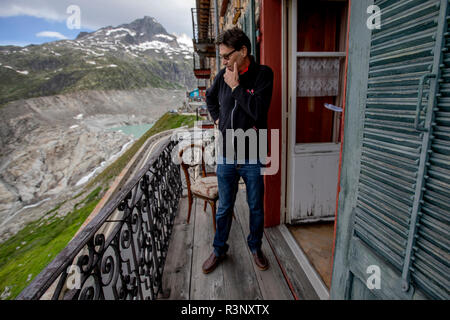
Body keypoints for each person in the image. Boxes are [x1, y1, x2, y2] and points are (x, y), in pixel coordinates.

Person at [203, 27, 274, 274]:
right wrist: (216, 120)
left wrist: (235, 87)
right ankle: (219, 248)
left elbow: (258, 112)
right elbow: (209, 98)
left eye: (225, 56)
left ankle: (255, 247)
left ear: (243, 51)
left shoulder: (263, 75)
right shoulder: (222, 75)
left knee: (255, 205)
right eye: (221, 57)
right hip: (226, 151)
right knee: (224, 207)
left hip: (252, 151)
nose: (222, 62)